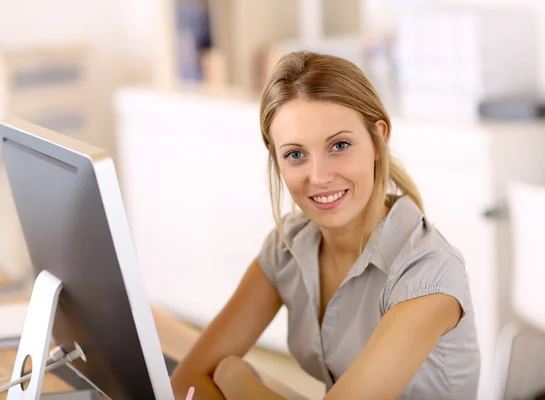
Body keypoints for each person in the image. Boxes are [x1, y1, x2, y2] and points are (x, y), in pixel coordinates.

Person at [170, 51, 480, 400]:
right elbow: (188, 381)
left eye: (340, 145)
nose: (319, 177)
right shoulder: (288, 248)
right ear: (276, 158)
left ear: (379, 139)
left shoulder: (427, 273)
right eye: (295, 154)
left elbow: (208, 378)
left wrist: (236, 378)